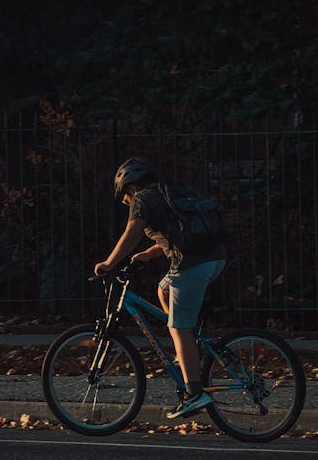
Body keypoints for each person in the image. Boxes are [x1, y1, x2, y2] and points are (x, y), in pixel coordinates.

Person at [94, 156, 226, 419]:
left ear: (130, 187)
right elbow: (175, 236)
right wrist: (147, 255)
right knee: (163, 289)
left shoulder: (143, 198)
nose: (128, 204)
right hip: (215, 258)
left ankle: (194, 392)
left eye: (126, 200)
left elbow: (132, 232)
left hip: (192, 266)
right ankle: (186, 352)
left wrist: (109, 263)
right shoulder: (167, 193)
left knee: (178, 327)